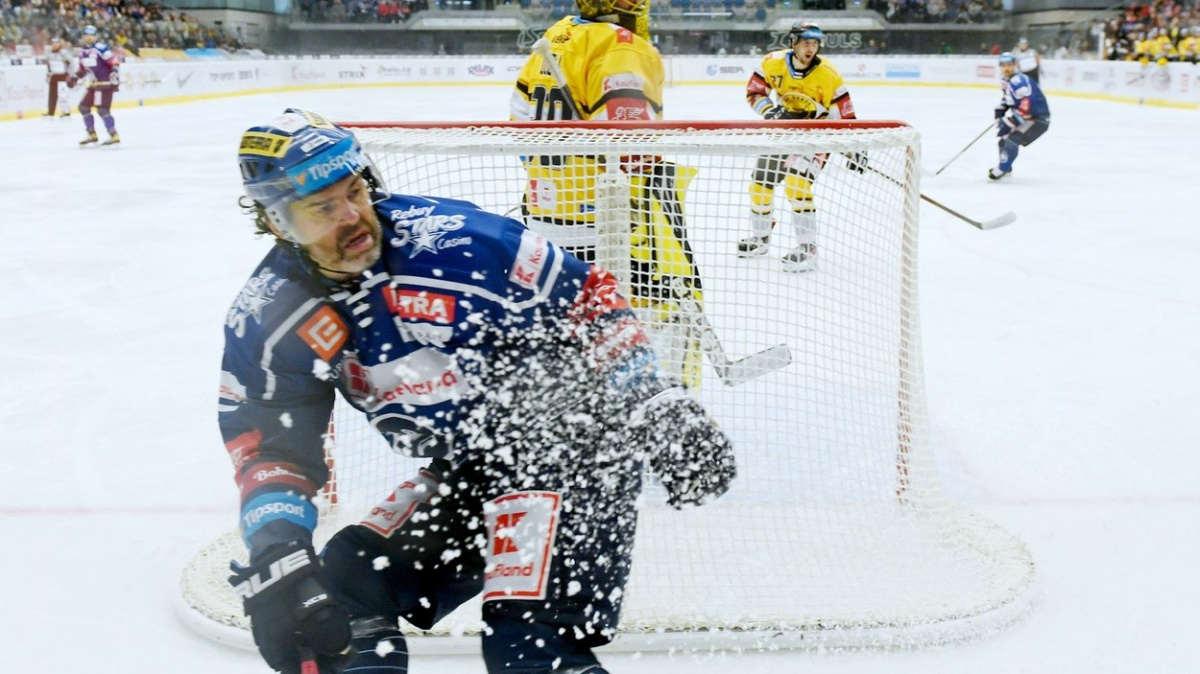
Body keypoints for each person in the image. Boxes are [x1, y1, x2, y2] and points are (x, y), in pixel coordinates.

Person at [222, 109, 735, 674]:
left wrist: (654, 400)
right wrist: (276, 549)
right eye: (324, 207)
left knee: (527, 639)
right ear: (276, 223)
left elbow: (589, 300)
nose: (354, 216)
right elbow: (272, 446)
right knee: (338, 598)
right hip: (476, 463)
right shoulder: (268, 318)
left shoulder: (461, 243)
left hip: (576, 448)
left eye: (356, 189)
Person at [510, 0, 704, 387]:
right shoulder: (621, 46)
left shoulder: (557, 35)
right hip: (608, 225)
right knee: (663, 309)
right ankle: (665, 406)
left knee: (567, 325)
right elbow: (635, 153)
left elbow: (519, 133)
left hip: (543, 219)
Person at [737, 21, 862, 273]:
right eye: (806, 43)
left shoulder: (829, 75)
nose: (810, 48)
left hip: (816, 138)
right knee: (759, 184)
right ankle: (761, 238)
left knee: (797, 185)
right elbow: (755, 92)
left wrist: (854, 148)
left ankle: (808, 248)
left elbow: (845, 116)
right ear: (792, 43)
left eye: (814, 44)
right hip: (782, 135)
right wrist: (771, 111)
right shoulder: (773, 62)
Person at [991, 51, 1050, 180]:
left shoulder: (1019, 80)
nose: (1006, 68)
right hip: (1028, 118)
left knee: (1012, 139)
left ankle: (1002, 169)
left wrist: (1011, 120)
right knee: (1003, 141)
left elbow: (1026, 103)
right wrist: (1001, 110)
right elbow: (1009, 99)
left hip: (1038, 119)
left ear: (1015, 65)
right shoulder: (1007, 80)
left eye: (1009, 65)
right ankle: (1005, 167)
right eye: (1003, 65)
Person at [69, 25, 120, 147]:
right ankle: (92, 134)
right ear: (83, 37)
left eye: (92, 35)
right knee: (83, 107)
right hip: (93, 85)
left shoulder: (101, 49)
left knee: (103, 110)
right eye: (87, 35)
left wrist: (114, 76)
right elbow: (83, 69)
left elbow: (114, 62)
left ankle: (113, 134)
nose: (89, 38)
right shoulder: (83, 53)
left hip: (104, 85)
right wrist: (75, 77)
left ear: (96, 36)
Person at [44, 36, 74, 118]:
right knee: (52, 94)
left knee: (63, 94)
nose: (54, 45)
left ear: (59, 44)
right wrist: (48, 74)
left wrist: (71, 75)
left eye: (56, 43)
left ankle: (66, 111)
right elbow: (48, 65)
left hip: (63, 75)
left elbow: (70, 64)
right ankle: (51, 111)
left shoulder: (64, 53)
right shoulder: (49, 53)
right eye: (53, 43)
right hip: (54, 76)